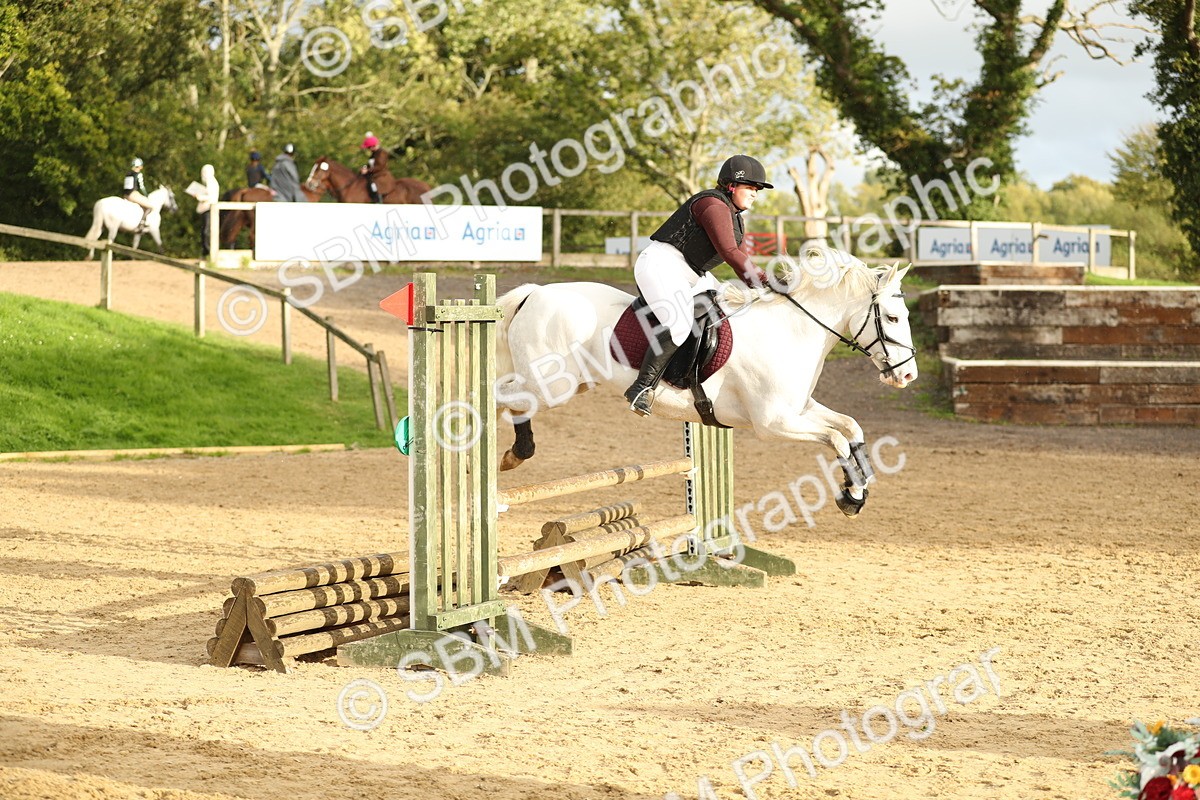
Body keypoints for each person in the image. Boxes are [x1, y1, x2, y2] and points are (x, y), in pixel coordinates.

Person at [623, 154, 773, 416]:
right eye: (750, 187)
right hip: (661, 264)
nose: (755, 194)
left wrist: (764, 289)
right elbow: (729, 253)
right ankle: (642, 388)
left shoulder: (735, 216)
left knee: (726, 302)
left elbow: (741, 259)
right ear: (731, 186)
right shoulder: (712, 205)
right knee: (679, 325)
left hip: (691, 272)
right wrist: (765, 280)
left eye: (757, 189)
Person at [192, 164, 220, 256]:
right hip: (206, 209)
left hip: (209, 209)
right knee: (204, 231)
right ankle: (206, 251)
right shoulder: (209, 182)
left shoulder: (211, 182)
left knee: (206, 231)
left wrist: (199, 197)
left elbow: (211, 197)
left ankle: (208, 252)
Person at [122, 157, 155, 230]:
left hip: (125, 195)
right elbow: (142, 187)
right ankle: (142, 222)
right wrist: (146, 195)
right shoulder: (138, 174)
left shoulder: (128, 173)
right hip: (133, 194)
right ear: (139, 166)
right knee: (150, 206)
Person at [359, 132, 387, 203]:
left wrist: (367, 170)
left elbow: (380, 166)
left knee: (373, 185)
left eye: (369, 147)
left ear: (373, 146)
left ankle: (378, 200)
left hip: (380, 175)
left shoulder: (382, 153)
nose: (368, 149)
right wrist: (364, 168)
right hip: (373, 174)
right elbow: (370, 164)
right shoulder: (374, 153)